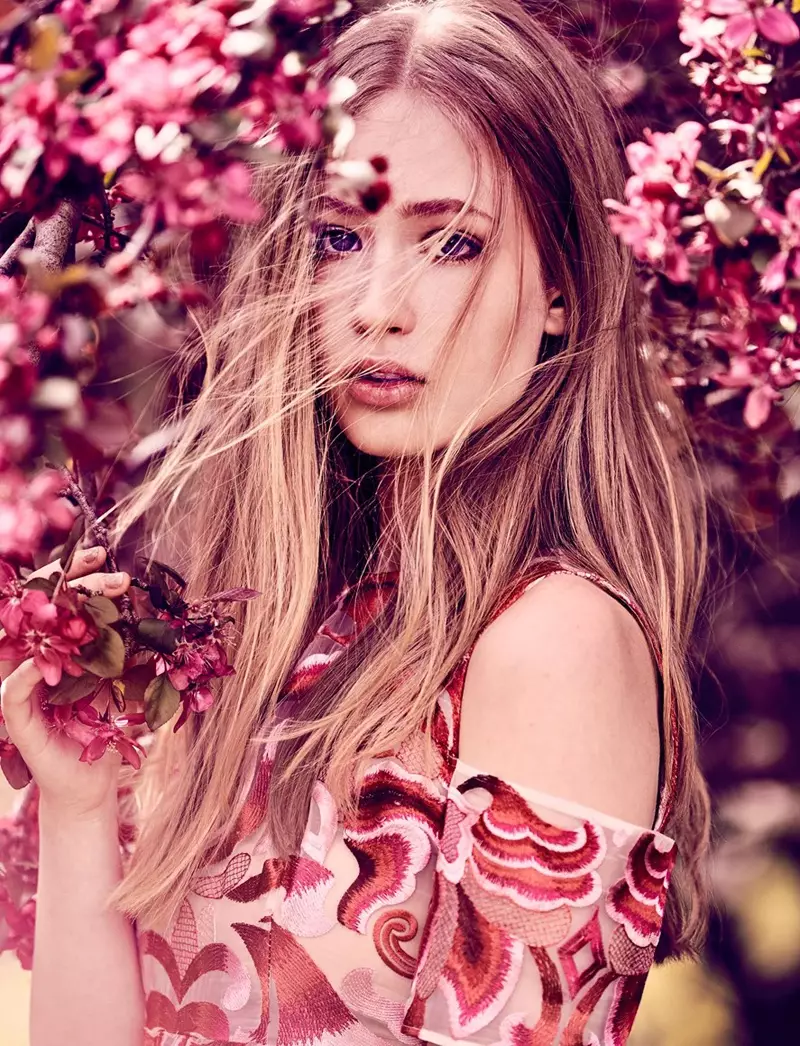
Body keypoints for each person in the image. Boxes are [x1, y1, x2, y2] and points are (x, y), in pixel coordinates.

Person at [0, 0, 713, 1043]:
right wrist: (74, 811)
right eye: (338, 235)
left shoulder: (552, 641)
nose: (378, 303)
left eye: (452, 242)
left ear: (561, 285)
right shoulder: (276, 631)